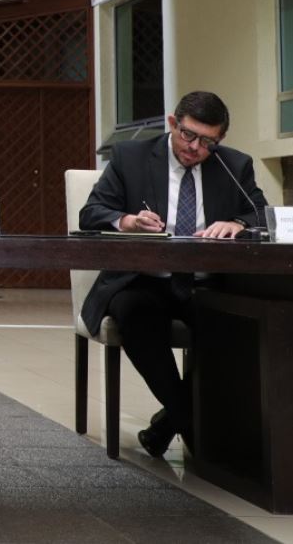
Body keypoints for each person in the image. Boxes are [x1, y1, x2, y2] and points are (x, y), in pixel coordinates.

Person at [79, 90, 268, 458]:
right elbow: (91, 213)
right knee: (135, 314)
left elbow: (261, 214)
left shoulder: (234, 164)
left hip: (203, 282)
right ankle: (195, 427)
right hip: (142, 280)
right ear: (172, 123)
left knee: (238, 325)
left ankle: (170, 422)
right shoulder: (130, 157)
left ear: (221, 140)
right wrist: (127, 221)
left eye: (207, 141)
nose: (195, 147)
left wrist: (236, 223)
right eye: (188, 135)